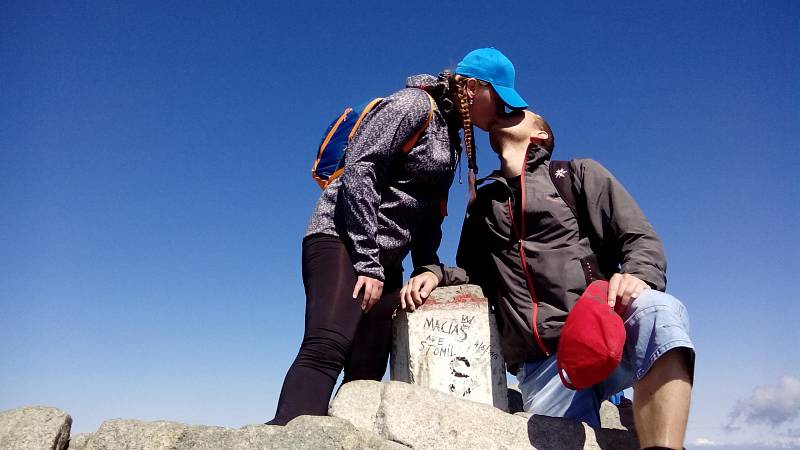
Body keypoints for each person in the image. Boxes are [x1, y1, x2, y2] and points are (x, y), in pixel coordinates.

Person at [403, 110, 694, 450]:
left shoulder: (576, 174)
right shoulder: (484, 204)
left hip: (602, 329)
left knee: (658, 310)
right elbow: (475, 274)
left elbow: (639, 237)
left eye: (516, 113)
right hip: (542, 364)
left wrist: (638, 276)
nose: (504, 113)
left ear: (539, 135)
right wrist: (436, 273)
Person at [267, 48, 530, 425]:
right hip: (341, 238)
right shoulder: (411, 105)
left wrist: (426, 267)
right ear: (473, 88)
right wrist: (367, 263)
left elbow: (428, 214)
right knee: (328, 344)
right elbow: (361, 171)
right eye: (500, 99)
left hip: (383, 258)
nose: (503, 111)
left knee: (369, 361)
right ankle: (286, 436)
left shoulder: (452, 137)